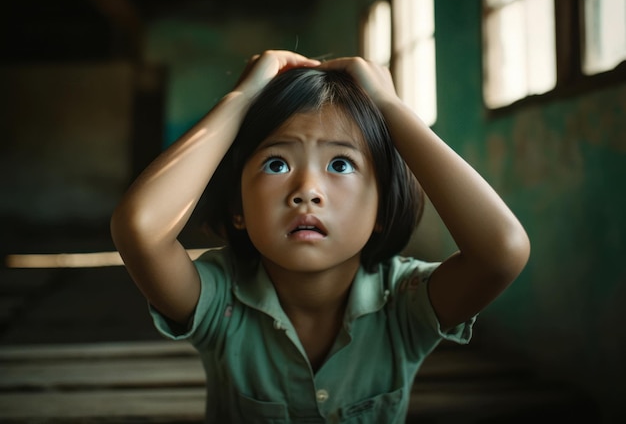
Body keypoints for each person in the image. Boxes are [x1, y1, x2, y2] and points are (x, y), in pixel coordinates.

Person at [110, 50, 530, 423]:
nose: (306, 190)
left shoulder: (404, 304)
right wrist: (241, 100)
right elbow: (141, 229)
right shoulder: (220, 302)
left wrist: (389, 105)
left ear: (381, 209)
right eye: (276, 164)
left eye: (341, 165)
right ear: (238, 210)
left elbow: (501, 251)